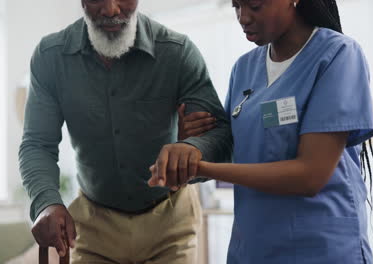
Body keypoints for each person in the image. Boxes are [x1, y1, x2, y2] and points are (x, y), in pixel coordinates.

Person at [149, 0, 373, 263]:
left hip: (320, 249)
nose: (243, 17)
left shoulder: (339, 54)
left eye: (255, 5)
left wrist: (202, 168)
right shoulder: (244, 69)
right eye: (236, 6)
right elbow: (229, 147)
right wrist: (190, 148)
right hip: (253, 250)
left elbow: (311, 176)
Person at [18, 0, 232, 263]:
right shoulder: (50, 57)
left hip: (170, 226)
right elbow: (37, 144)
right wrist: (46, 203)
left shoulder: (177, 53)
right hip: (93, 229)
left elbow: (219, 137)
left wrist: (193, 150)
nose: (110, 10)